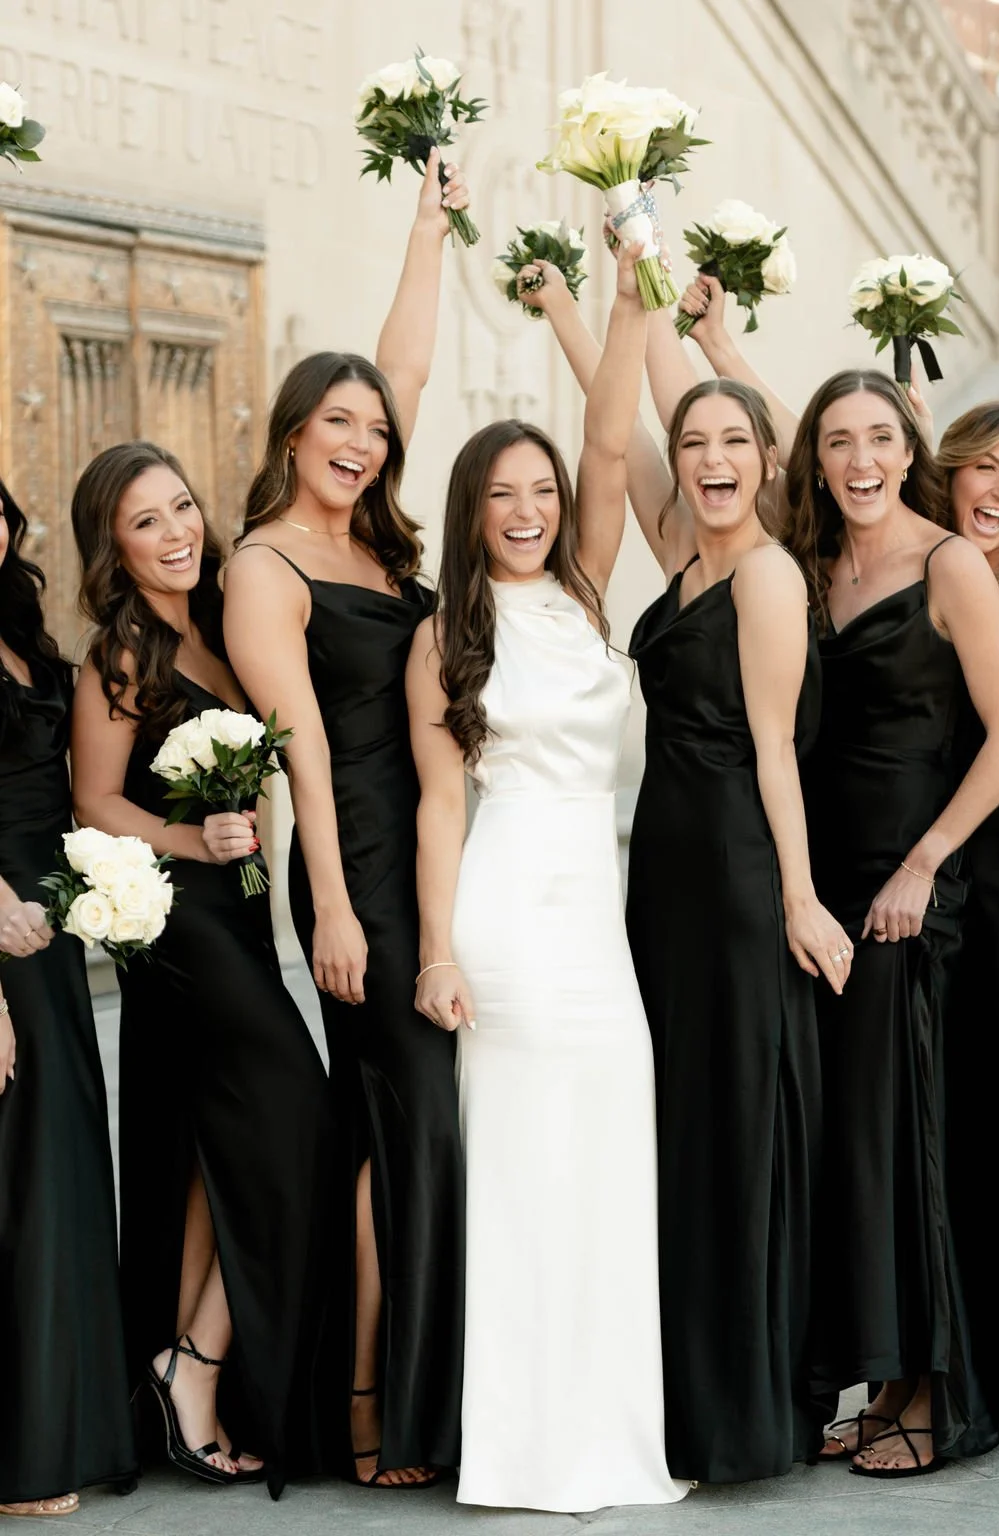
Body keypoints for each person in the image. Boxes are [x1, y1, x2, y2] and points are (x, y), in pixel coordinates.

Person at [523, 258, 842, 1483]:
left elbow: (774, 753)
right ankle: (686, 1395)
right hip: (661, 872)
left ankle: (746, 1411)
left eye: (730, 441)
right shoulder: (682, 545)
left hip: (736, 874)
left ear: (767, 462)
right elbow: (615, 431)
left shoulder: (763, 573)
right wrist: (582, 298)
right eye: (694, 440)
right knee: (682, 1125)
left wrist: (799, 899)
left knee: (732, 1126)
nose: (708, 456)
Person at [405, 241, 684, 1512]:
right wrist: (439, 951)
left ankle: (609, 1434)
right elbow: (443, 802)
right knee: (519, 1175)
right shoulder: (442, 636)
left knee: (609, 1156)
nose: (525, 509)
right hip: (506, 916)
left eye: (540, 490)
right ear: (467, 508)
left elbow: (614, 439)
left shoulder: (583, 588)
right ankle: (515, 1445)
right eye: (499, 494)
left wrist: (622, 305)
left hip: (597, 922)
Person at [223, 150, 471, 1488]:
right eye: (340, 422)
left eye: (373, 427)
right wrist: (327, 904)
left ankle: (418, 1388)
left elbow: (410, 369)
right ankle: (377, 1402)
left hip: (437, 851)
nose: (366, 438)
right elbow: (301, 746)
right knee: (406, 1120)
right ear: (291, 432)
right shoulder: (266, 564)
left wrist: (427, 225)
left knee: (420, 1124)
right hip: (359, 864)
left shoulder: (381, 541)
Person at [69, 443, 333, 1498]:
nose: (176, 531)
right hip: (178, 932)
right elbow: (95, 800)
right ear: (114, 545)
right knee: (304, 1123)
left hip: (242, 920)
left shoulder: (224, 621)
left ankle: (184, 1359)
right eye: (146, 521)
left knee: (210, 1148)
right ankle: (197, 1362)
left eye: (182, 507)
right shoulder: (119, 656)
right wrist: (200, 841)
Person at [789, 371, 999, 1476]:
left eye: (880, 436)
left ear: (908, 447)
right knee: (856, 1140)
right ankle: (882, 1379)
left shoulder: (952, 564)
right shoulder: (815, 567)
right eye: (838, 440)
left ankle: (935, 1391)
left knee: (907, 1138)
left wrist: (924, 865)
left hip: (910, 887)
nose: (860, 458)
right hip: (828, 886)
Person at [0, 476, 136, 1519]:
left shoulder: (26, 638)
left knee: (65, 1164)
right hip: (0, 929)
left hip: (50, 921)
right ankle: (21, 1454)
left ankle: (73, 1428)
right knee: (20, 1175)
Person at [936, 402, 999, 1424]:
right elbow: (824, 447)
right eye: (987, 468)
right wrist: (720, 350)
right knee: (948, 1107)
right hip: (936, 872)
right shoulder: (921, 562)